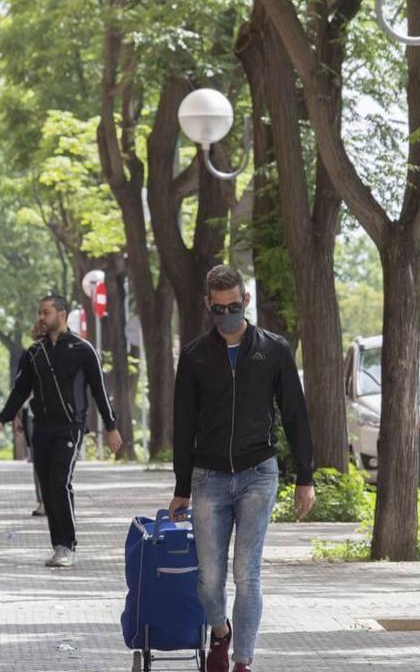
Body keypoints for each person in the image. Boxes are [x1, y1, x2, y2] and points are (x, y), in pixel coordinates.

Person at [167, 264, 316, 672]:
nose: (227, 316)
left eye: (233, 307)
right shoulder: (195, 356)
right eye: (218, 310)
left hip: (258, 474)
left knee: (246, 573)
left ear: (245, 301)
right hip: (209, 478)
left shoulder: (274, 350)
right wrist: (182, 487)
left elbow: (295, 416)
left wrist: (305, 477)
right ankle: (220, 633)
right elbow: (183, 425)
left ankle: (243, 661)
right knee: (209, 580)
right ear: (207, 305)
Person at [0, 295, 123, 568]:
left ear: (61, 314)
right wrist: (2, 419)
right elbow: (20, 390)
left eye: (46, 312)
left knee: (59, 483)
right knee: (48, 490)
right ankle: (57, 546)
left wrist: (111, 427)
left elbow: (99, 390)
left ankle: (67, 546)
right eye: (39, 312)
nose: (41, 317)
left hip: (70, 428)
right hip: (42, 429)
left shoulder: (82, 349)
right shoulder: (33, 353)